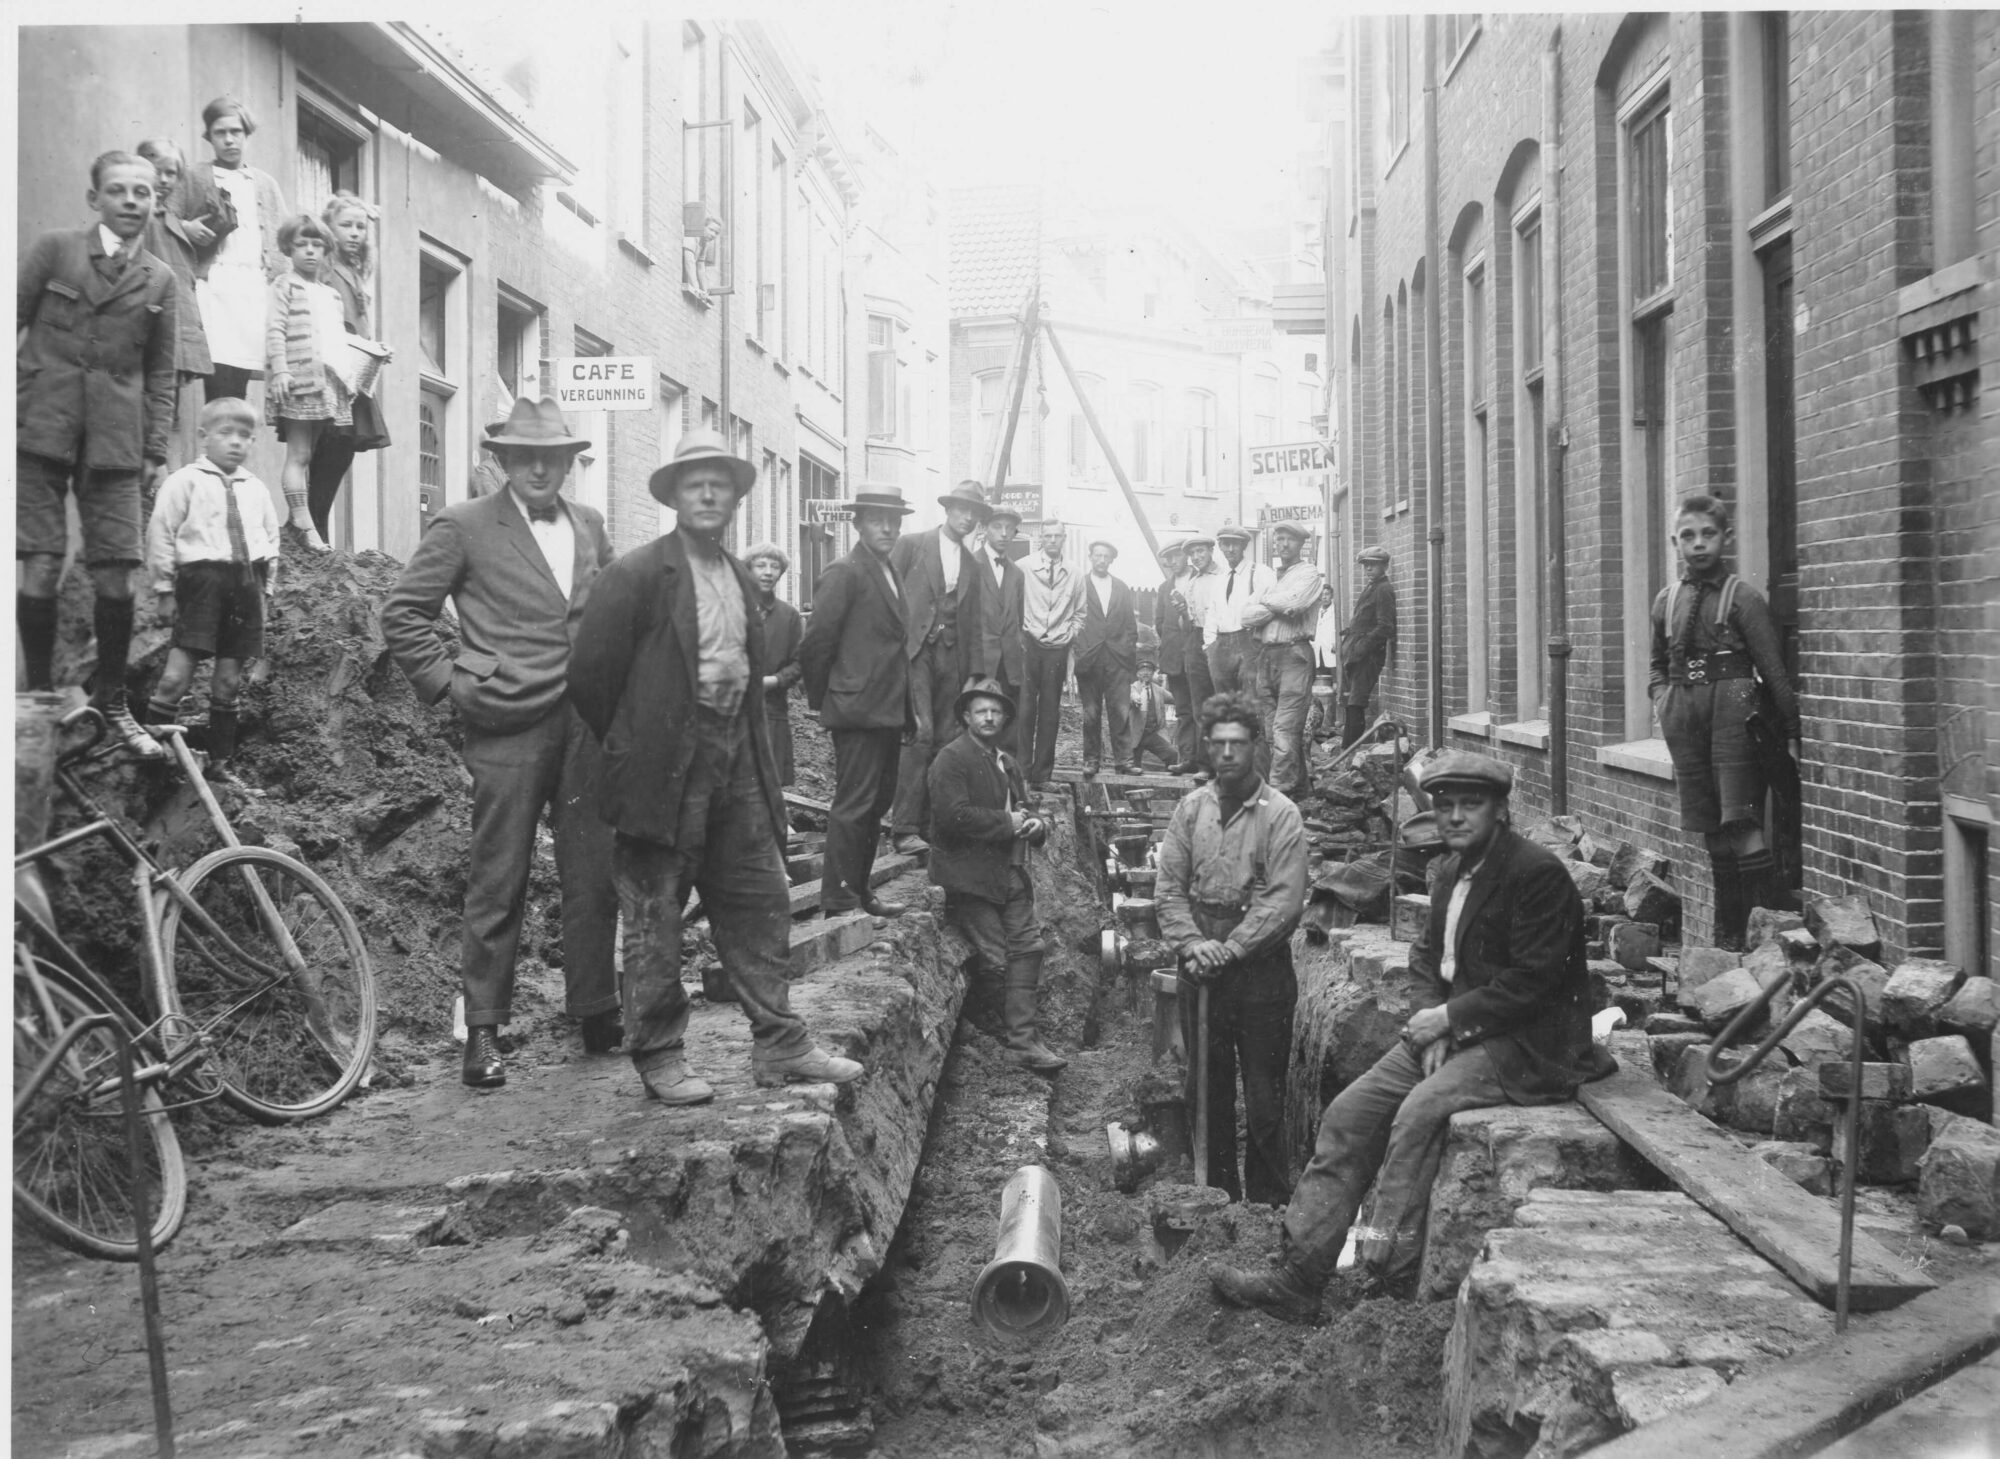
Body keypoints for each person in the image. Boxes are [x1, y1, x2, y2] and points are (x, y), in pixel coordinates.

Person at [1207, 751, 1614, 1322]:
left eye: (1470, 806)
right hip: (1459, 1032)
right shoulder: (1449, 870)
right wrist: (1433, 1023)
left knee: (1417, 1114)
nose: (1454, 818)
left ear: (1500, 811)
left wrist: (1450, 1021)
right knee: (1349, 1114)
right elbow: (1426, 960)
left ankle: (1386, 1279)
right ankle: (1300, 1275)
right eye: (1444, 806)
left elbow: (1535, 982)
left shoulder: (1536, 875)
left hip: (1526, 1045)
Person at [569, 432, 864, 1103]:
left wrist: (757, 775)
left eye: (719, 484)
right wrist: (640, 747)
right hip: (662, 769)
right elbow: (591, 678)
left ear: (734, 498)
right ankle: (660, 1050)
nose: (707, 493)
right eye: (694, 483)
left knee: (759, 898)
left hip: (736, 763)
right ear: (672, 494)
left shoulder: (736, 575)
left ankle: (781, 1043)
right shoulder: (638, 574)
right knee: (655, 912)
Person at [381, 397, 621, 1089]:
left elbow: (609, 606)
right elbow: (404, 613)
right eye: (526, 457)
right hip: (505, 721)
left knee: (592, 871)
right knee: (499, 874)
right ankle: (482, 1031)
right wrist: (452, 681)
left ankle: (597, 1008)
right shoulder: (463, 524)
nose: (542, 468)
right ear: (504, 462)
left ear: (571, 463)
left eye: (555, 457)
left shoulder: (591, 523)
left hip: (584, 723)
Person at [16, 150, 181, 757]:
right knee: (37, 564)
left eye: (142, 191)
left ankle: (111, 705)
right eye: (118, 191)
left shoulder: (161, 280)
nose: (132, 201)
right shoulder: (55, 250)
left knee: (117, 575)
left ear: (154, 201)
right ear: (96, 199)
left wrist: (155, 449)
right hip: (40, 426)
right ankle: (37, 703)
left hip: (115, 443)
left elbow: (162, 374)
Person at [1156, 693, 1308, 1205]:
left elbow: (1284, 901)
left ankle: (1266, 1209)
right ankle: (1217, 1202)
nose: (1226, 755)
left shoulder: (1281, 815)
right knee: (1206, 1091)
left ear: (1255, 747)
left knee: (1265, 1099)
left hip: (1260, 975)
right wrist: (1194, 945)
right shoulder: (1191, 810)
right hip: (1200, 969)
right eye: (1217, 744)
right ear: (1206, 747)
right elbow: (1169, 889)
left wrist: (1233, 948)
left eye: (1237, 744)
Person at [1650, 494, 1802, 950]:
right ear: (1676, 541)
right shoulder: (1666, 600)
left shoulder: (1744, 598)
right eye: (1689, 536)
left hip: (1734, 708)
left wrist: (1792, 731)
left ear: (1726, 537)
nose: (1699, 545)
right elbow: (1656, 663)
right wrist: (1662, 701)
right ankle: (1727, 937)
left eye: (1709, 534)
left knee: (1740, 820)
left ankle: (1761, 942)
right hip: (1685, 716)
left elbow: (1773, 668)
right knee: (1711, 826)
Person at [927, 678, 1067, 1074]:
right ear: (967, 717)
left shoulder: (1007, 762)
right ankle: (989, 1039)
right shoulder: (951, 759)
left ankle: (1025, 1041)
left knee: (1030, 949)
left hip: (1009, 872)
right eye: (980, 711)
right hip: (968, 877)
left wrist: (1037, 826)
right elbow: (951, 816)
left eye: (995, 711)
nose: (988, 717)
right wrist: (1008, 822)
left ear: (1004, 718)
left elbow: (1028, 809)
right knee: (997, 958)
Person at [141, 397, 281, 769]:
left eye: (245, 436)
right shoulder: (184, 482)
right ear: (205, 436)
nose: (236, 442)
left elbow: (270, 541)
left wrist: (265, 591)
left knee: (229, 682)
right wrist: (164, 589)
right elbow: (161, 535)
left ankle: (220, 763)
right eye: (226, 433)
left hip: (245, 586)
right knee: (175, 676)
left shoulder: (257, 489)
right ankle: (153, 757)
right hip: (200, 584)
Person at [799, 490, 916, 918]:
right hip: (857, 710)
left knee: (877, 804)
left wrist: (907, 709)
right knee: (854, 806)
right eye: (877, 520)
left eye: (893, 520)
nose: (888, 528)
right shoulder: (844, 571)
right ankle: (841, 900)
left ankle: (861, 890)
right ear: (858, 525)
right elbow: (815, 643)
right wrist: (827, 698)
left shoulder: (888, 570)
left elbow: (895, 648)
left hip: (886, 708)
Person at [886, 480, 990, 853]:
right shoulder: (912, 545)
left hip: (953, 658)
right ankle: (904, 827)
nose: (967, 518)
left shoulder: (972, 565)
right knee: (920, 732)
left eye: (974, 514)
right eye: (962, 510)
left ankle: (931, 826)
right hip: (915, 652)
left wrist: (975, 673)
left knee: (947, 739)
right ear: (948, 510)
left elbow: (975, 622)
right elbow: (886, 594)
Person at [179, 95, 286, 402]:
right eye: (220, 133)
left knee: (237, 382)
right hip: (214, 285)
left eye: (235, 132)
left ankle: (229, 445)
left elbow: (284, 240)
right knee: (217, 374)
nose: (228, 140)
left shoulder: (264, 183)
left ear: (246, 134)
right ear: (209, 137)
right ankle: (214, 444)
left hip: (253, 288)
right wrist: (187, 227)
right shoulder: (196, 175)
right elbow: (166, 215)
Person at [304, 191, 393, 547]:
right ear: (330, 228)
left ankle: (317, 529)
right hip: (331, 373)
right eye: (346, 225)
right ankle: (311, 531)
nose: (355, 233)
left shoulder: (355, 273)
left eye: (360, 226)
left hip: (352, 377)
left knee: (338, 455)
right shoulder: (325, 266)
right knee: (326, 451)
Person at [264, 213, 354, 553]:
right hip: (299, 378)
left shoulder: (331, 295)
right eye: (302, 245)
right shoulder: (285, 286)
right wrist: (281, 370)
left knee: (312, 453)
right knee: (299, 453)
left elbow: (334, 340)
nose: (310, 252)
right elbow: (275, 330)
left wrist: (345, 379)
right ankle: (304, 523)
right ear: (289, 248)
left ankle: (302, 520)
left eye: (317, 245)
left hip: (326, 381)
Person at [133, 138, 213, 468]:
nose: (164, 180)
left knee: (166, 419)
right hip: (147, 336)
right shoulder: (142, 221)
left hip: (172, 339)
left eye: (172, 173)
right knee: (146, 419)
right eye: (158, 171)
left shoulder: (171, 223)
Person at [1241, 521, 1325, 797]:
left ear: (1301, 544)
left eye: (1290, 540)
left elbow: (1295, 604)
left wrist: (1265, 602)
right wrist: (1274, 603)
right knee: (1269, 730)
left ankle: (1278, 793)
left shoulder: (1309, 573)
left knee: (1285, 729)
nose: (1284, 545)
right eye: (1279, 540)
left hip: (1295, 654)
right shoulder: (1269, 579)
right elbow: (1245, 616)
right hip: (1267, 656)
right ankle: (1300, 791)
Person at [1019, 519, 1087, 790]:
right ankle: (1021, 772)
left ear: (1064, 538)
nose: (1052, 541)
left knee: (1050, 711)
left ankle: (1042, 775)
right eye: (1047, 536)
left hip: (1057, 648)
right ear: (1041, 538)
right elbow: (1013, 603)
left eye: (1057, 536)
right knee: (1024, 710)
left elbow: (1081, 613)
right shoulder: (1024, 567)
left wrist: (1069, 635)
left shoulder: (1075, 573)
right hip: (1028, 645)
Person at [1073, 540, 1139, 776]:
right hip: (1089, 658)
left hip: (1117, 658)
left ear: (1112, 560)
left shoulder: (1121, 587)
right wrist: (1079, 649)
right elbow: (1073, 618)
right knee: (1091, 714)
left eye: (1106, 557)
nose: (1101, 560)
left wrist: (1126, 649)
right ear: (1090, 557)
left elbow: (1131, 626)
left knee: (1120, 712)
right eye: (1097, 555)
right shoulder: (1079, 583)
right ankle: (1091, 760)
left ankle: (1124, 761)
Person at [743, 543, 806, 786]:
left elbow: (800, 663)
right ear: (748, 570)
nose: (768, 572)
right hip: (733, 710)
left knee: (770, 783)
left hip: (772, 710)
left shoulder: (788, 616)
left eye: (774, 566)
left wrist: (773, 681)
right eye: (760, 565)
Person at [1161, 534, 1217, 778]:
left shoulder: (1202, 578)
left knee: (1203, 708)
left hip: (1199, 653)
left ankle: (1208, 762)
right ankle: (1187, 758)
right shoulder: (1165, 587)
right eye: (1168, 559)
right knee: (1183, 710)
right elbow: (1159, 623)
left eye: (1176, 556)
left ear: (1186, 556)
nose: (1172, 562)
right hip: (1175, 658)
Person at [973, 503, 1027, 755]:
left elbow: (1018, 617)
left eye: (1009, 528)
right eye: (997, 527)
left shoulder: (1016, 573)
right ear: (984, 529)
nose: (1004, 533)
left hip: (1010, 665)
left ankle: (1008, 789)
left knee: (1008, 730)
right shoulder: (970, 565)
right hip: (979, 664)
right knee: (977, 728)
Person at [1201, 522, 1268, 702]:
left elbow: (1269, 608)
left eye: (1235, 544)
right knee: (1224, 701)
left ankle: (1253, 731)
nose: (1230, 549)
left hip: (1248, 642)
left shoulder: (1259, 572)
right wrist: (1210, 646)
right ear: (1220, 547)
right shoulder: (1220, 579)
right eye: (1226, 544)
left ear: (1244, 546)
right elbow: (1212, 615)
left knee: (1250, 699)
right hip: (1220, 644)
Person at [1339, 545, 1397, 746]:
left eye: (1373, 565)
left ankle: (1351, 752)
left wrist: (1361, 648)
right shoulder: (1372, 587)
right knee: (1350, 703)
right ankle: (1347, 751)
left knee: (1356, 703)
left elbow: (1385, 627)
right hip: (1356, 654)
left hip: (1368, 656)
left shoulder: (1383, 590)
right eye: (1365, 565)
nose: (1368, 569)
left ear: (1384, 566)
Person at [1126, 644, 1178, 772]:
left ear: (1153, 673)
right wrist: (1135, 698)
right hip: (1136, 734)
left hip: (1153, 733)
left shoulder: (1158, 690)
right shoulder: (1132, 687)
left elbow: (1175, 699)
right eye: (1142, 671)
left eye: (1149, 671)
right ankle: (1131, 790)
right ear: (1137, 674)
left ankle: (1169, 787)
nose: (1145, 673)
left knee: (1172, 754)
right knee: (1133, 767)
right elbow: (1130, 696)